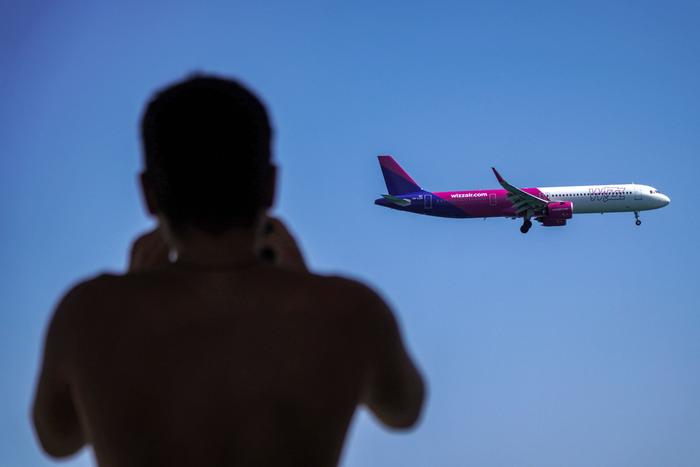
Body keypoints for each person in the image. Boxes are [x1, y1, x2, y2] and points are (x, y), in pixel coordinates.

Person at [31, 75, 425, 467]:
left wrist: (131, 292)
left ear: (148, 194)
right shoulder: (350, 309)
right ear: (271, 186)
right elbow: (404, 410)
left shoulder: (88, 313)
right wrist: (304, 282)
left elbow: (57, 439)